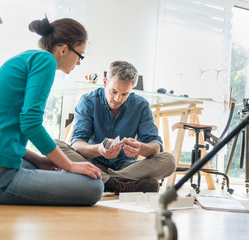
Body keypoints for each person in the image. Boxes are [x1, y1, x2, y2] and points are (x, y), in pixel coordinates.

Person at [0, 16, 104, 206]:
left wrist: (40, 160)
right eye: (80, 55)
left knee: (46, 166)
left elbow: (3, 131)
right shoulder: (46, 61)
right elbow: (31, 123)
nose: (78, 63)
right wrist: (68, 164)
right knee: (94, 187)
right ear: (64, 49)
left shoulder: (24, 59)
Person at [56, 61, 176, 194]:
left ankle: (106, 181)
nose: (117, 99)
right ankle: (123, 184)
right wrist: (98, 149)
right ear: (105, 82)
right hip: (93, 163)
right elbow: (77, 144)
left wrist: (140, 148)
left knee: (169, 160)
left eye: (124, 94)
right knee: (54, 145)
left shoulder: (141, 105)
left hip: (126, 167)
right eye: (113, 91)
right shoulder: (88, 101)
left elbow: (155, 146)